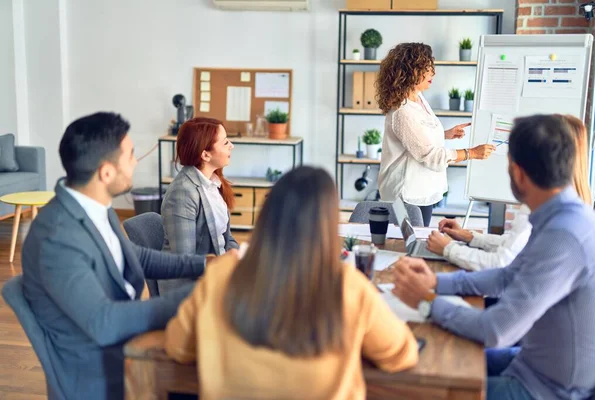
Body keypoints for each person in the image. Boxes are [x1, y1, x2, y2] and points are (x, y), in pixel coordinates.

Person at [392, 114, 595, 400]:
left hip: (547, 390)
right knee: (431, 363)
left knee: (421, 386)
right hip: (531, 365)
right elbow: (507, 276)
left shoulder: (562, 236)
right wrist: (436, 283)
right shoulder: (563, 215)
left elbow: (495, 330)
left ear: (518, 173)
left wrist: (426, 302)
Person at [164, 166, 419, 399]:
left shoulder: (219, 275)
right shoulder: (348, 286)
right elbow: (403, 354)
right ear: (329, 226)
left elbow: (178, 346)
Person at [21, 112, 210, 400]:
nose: (136, 162)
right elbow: (104, 322)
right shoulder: (56, 237)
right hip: (100, 368)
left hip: (125, 344)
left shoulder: (94, 205)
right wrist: (193, 298)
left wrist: (204, 264)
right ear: (106, 173)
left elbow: (132, 257)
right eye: (131, 155)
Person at [426, 114, 593, 271]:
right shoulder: (572, 199)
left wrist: (448, 249)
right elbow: (514, 246)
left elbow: (502, 261)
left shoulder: (541, 199)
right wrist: (469, 236)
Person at [376, 42, 495, 226]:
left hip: (422, 191)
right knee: (408, 245)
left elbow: (417, 137)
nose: (433, 72)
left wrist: (445, 134)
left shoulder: (418, 98)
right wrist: (471, 153)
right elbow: (430, 156)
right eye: (427, 67)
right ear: (410, 71)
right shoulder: (402, 111)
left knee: (418, 242)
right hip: (406, 195)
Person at [160, 117, 239, 294]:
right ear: (205, 154)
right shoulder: (182, 193)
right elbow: (186, 261)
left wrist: (242, 261)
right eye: (225, 142)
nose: (231, 145)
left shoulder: (213, 184)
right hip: (189, 288)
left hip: (214, 274)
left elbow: (227, 239)